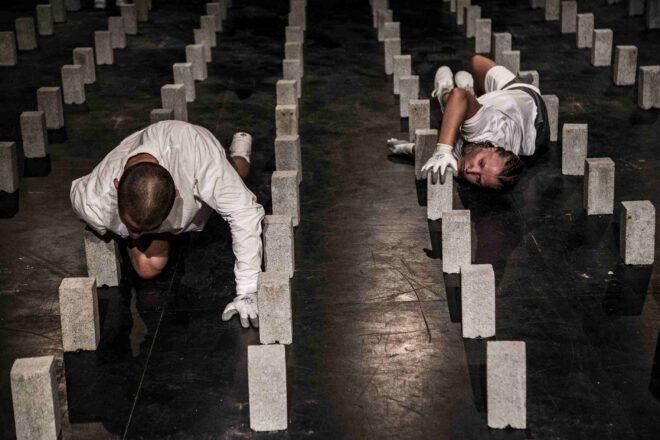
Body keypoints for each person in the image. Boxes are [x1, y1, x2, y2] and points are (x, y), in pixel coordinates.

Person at [70, 120, 264, 328]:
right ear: (116, 186)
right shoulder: (93, 198)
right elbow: (78, 196)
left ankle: (240, 152)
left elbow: (244, 212)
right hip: (142, 179)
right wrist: (117, 229)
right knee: (148, 267)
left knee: (239, 172)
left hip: (193, 150)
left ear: (177, 196)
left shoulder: (199, 159)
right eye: (132, 228)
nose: (136, 236)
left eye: (147, 229)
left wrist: (248, 290)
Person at [389, 55, 549, 190]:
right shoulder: (487, 129)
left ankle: (471, 100)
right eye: (481, 163)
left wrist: (409, 148)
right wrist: (443, 151)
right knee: (477, 62)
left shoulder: (468, 165)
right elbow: (459, 95)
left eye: (478, 179)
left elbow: (435, 159)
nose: (470, 170)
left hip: (505, 115)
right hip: (523, 100)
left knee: (457, 114)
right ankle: (445, 92)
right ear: (491, 148)